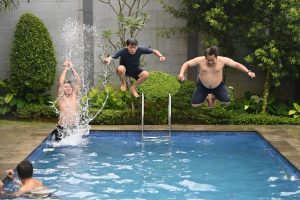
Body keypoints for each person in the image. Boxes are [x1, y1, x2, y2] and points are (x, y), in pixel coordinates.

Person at [178, 46, 256, 108]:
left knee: (227, 102)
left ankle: (213, 96)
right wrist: (181, 74)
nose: (211, 62)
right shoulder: (199, 60)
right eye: (208, 60)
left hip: (218, 86)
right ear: (205, 57)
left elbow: (236, 64)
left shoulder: (223, 60)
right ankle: (208, 97)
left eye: (213, 60)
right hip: (202, 86)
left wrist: (248, 71)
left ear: (216, 57)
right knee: (195, 105)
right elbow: (187, 64)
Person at [52, 59, 81, 141]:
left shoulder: (74, 96)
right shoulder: (61, 97)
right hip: (62, 128)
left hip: (74, 127)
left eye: (69, 87)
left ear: (72, 89)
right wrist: (66, 68)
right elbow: (61, 82)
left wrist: (72, 68)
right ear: (62, 89)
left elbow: (78, 81)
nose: (68, 88)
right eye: (65, 87)